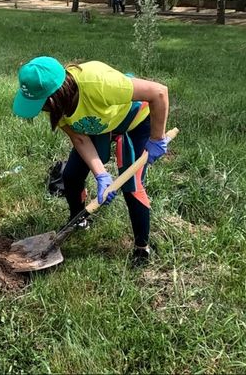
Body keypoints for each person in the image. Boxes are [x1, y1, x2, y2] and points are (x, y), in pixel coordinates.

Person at [12, 57, 170, 266]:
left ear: (52, 99)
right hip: (99, 125)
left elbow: (158, 92)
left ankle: (142, 248)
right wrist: (101, 174)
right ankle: (80, 220)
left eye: (40, 105)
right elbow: (80, 138)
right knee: (71, 176)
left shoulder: (99, 82)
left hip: (133, 120)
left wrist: (156, 139)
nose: (41, 111)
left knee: (132, 186)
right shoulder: (59, 108)